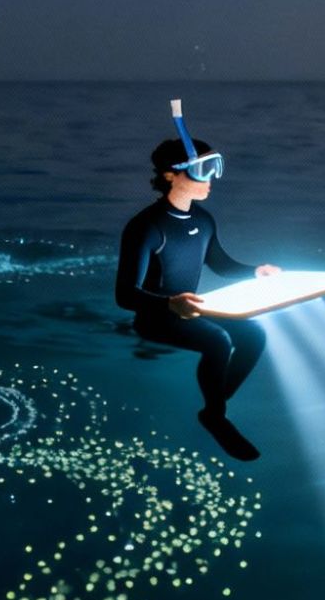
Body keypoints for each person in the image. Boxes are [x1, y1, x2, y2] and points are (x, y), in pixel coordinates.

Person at [115, 108, 279, 461]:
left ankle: (214, 406)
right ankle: (217, 417)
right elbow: (124, 294)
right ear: (171, 175)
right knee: (219, 340)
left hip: (192, 308)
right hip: (156, 317)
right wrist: (168, 304)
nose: (211, 180)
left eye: (214, 169)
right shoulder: (146, 226)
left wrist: (255, 271)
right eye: (203, 170)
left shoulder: (203, 220)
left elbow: (220, 264)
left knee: (255, 335)